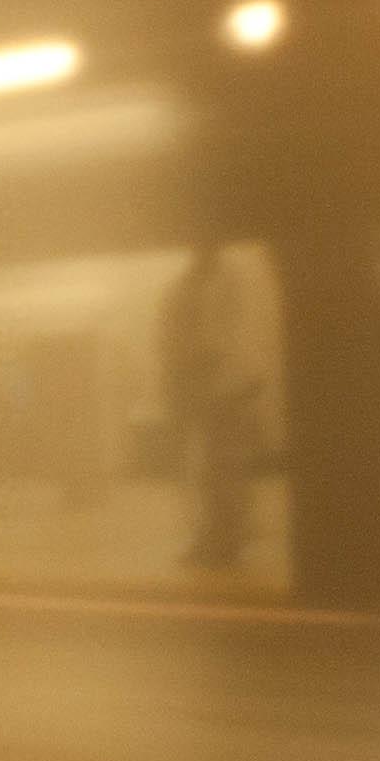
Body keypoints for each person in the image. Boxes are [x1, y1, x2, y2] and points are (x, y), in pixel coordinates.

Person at [156, 240, 277, 571]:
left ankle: (226, 539)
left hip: (225, 385)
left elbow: (221, 339)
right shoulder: (188, 286)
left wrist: (200, 363)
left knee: (223, 466)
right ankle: (219, 536)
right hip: (210, 385)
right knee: (213, 467)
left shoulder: (228, 281)